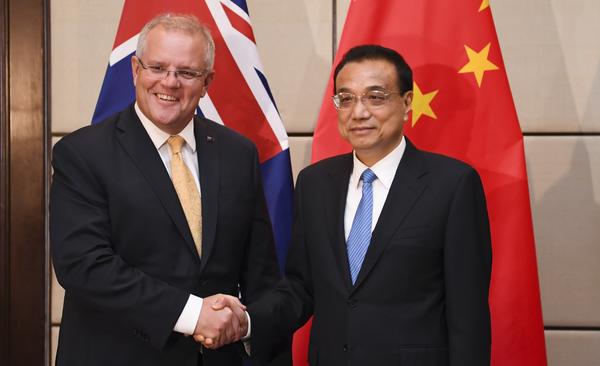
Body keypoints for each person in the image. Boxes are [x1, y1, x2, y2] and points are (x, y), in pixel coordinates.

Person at [50, 13, 287, 366]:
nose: (170, 82)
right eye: (157, 67)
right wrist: (194, 314)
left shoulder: (238, 153)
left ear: (207, 81)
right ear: (135, 70)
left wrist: (247, 323)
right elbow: (84, 265)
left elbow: (261, 274)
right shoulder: (83, 154)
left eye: (187, 72)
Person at [244, 45, 492, 365]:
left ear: (406, 103)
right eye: (345, 98)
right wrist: (247, 320)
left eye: (375, 97)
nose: (358, 112)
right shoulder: (314, 183)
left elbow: (468, 315)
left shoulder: (452, 185)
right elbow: (301, 288)